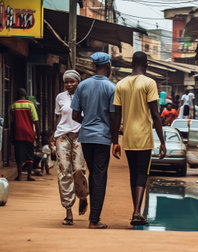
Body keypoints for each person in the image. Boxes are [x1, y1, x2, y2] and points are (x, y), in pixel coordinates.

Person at [111, 51, 166, 226]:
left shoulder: (120, 84)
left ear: (131, 64)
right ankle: (136, 212)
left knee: (133, 174)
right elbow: (155, 114)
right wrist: (162, 141)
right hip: (143, 136)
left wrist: (115, 142)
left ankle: (136, 211)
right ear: (146, 64)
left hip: (128, 137)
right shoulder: (149, 83)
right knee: (142, 173)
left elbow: (116, 115)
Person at [71, 52, 116, 229]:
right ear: (108, 66)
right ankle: (94, 220)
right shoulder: (112, 88)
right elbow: (113, 117)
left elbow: (75, 115)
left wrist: (88, 123)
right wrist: (114, 136)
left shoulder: (82, 86)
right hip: (103, 138)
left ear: (94, 66)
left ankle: (91, 210)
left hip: (86, 137)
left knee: (92, 173)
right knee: (99, 176)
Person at [54, 70, 89, 226]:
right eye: (66, 82)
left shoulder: (85, 96)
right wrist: (52, 135)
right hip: (62, 136)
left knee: (78, 170)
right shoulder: (60, 97)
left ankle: (82, 196)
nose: (69, 84)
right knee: (63, 171)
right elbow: (58, 116)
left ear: (78, 82)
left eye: (72, 81)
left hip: (79, 135)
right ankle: (68, 210)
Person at [10, 88, 40, 181]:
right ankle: (29, 176)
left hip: (17, 133)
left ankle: (19, 176)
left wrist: (11, 135)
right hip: (29, 133)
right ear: (25, 95)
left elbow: (12, 122)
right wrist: (38, 136)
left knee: (19, 155)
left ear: (17, 95)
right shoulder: (30, 104)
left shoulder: (13, 106)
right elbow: (35, 120)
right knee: (29, 154)